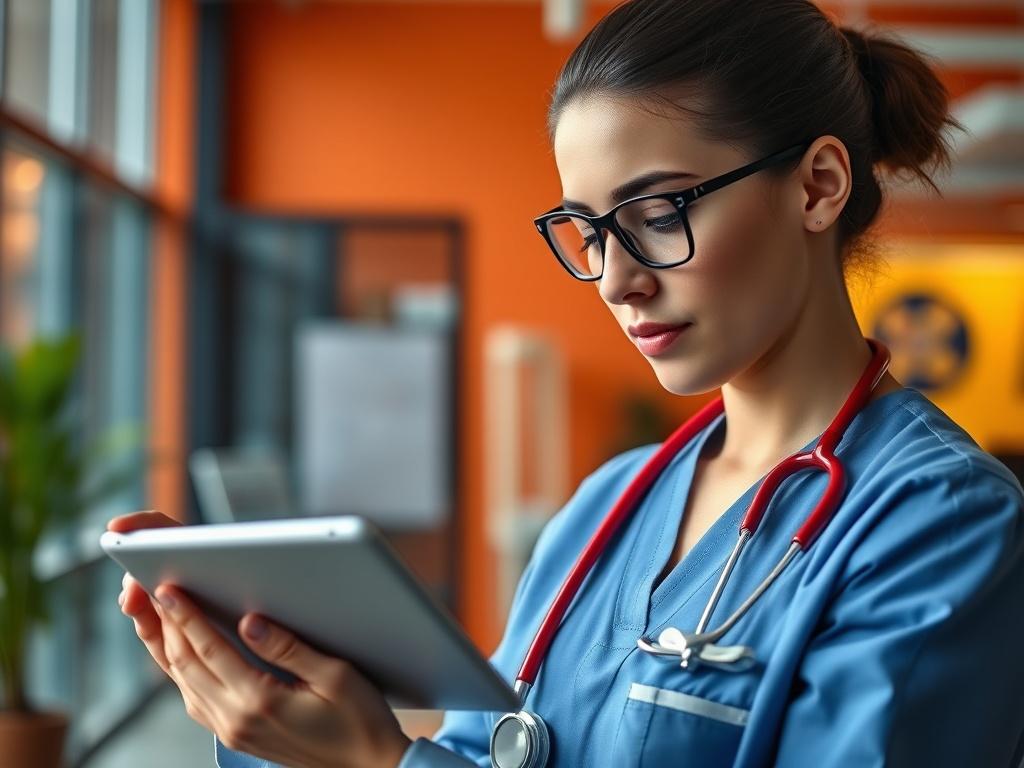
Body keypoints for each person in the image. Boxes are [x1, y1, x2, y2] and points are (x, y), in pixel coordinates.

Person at [111, 0, 1024, 765]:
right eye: (588, 232)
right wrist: (291, 717)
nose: (619, 279)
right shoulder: (604, 509)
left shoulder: (940, 524)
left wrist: (379, 762)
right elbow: (483, 750)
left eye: (656, 213)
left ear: (818, 186)